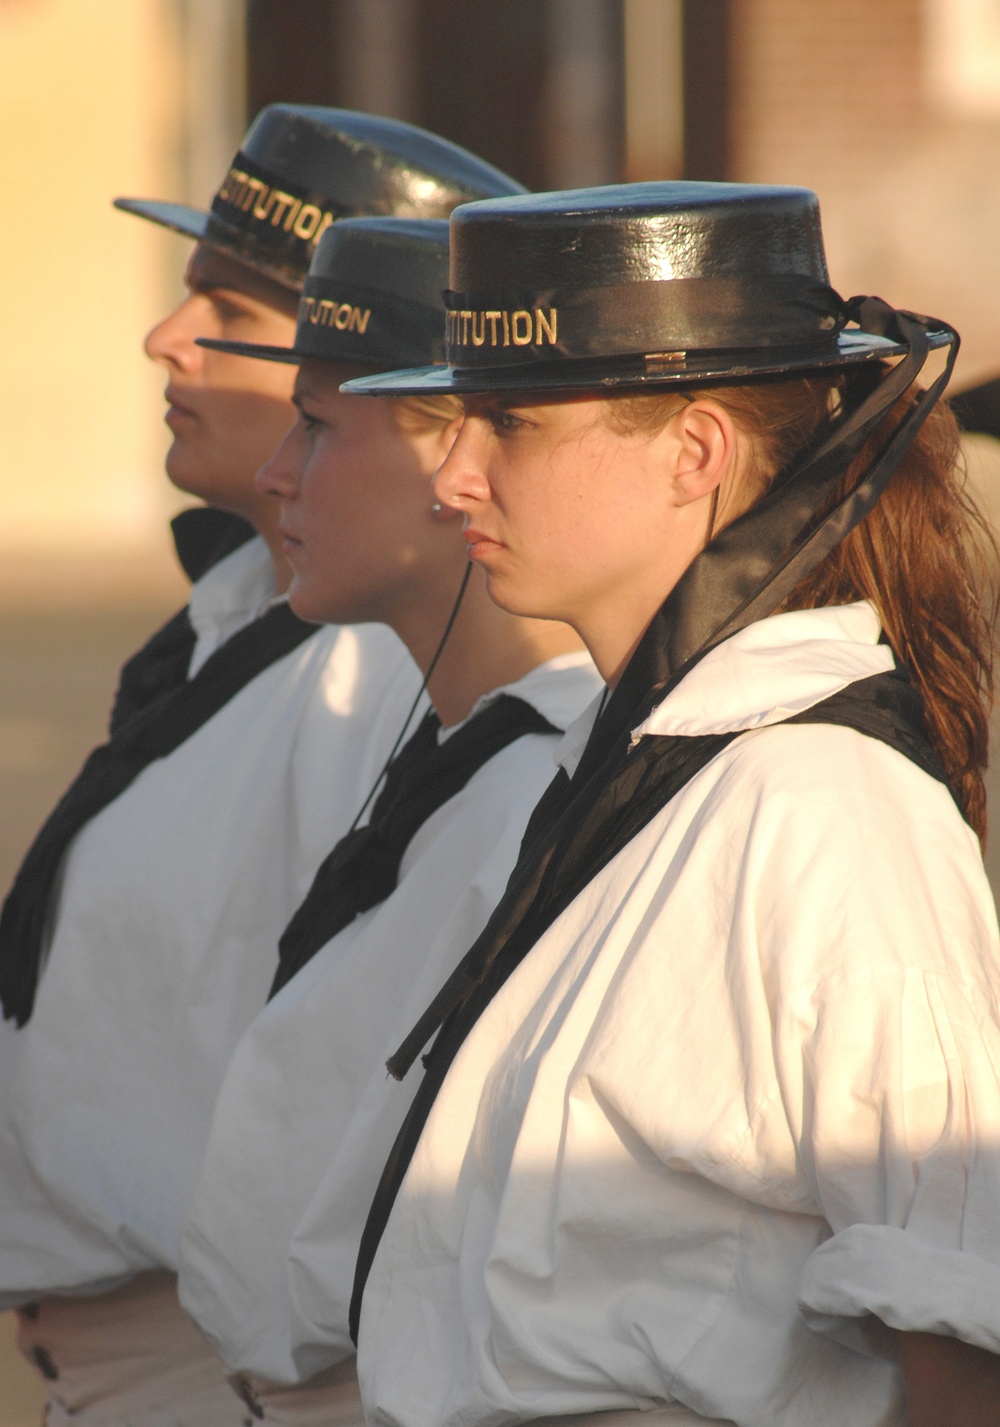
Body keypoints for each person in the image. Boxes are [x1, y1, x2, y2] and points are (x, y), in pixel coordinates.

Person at [342, 184, 1000, 1427]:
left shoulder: (823, 801)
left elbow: (961, 1332)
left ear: (694, 449)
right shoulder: (652, 770)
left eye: (511, 427)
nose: (454, 478)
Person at [0, 108, 525, 1426]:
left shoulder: (382, 662)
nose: (163, 339)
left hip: (235, 1376)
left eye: (225, 305)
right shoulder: (246, 605)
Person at [174, 214, 600, 1427]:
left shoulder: (544, 783)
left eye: (318, 423)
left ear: (449, 457)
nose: (276, 475)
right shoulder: (461, 746)